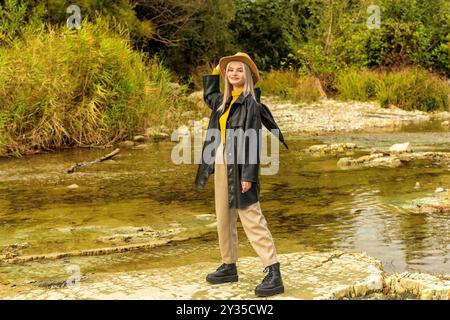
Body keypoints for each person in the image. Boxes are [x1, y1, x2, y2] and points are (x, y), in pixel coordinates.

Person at [195, 52, 284, 297]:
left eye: (239, 70)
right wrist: (215, 70)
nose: (234, 73)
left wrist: (249, 175)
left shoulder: (251, 105)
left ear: (248, 76)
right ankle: (228, 265)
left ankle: (273, 271)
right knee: (223, 215)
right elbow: (209, 95)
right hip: (222, 159)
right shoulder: (224, 102)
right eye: (230, 70)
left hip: (242, 163)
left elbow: (253, 142)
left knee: (250, 216)